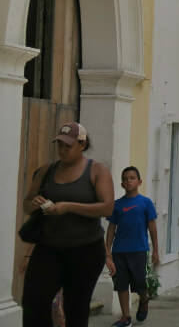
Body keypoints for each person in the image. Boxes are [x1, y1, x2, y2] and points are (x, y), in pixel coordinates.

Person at [22, 122, 114, 327]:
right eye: (60, 145)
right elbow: (26, 204)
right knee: (34, 302)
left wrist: (70, 207)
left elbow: (107, 208)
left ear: (82, 144)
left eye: (68, 146)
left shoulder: (97, 170)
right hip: (49, 248)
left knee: (76, 308)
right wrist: (36, 203)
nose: (62, 150)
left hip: (86, 249)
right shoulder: (47, 170)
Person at [105, 166, 159, 326]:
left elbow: (152, 227)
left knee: (139, 282)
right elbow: (111, 228)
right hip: (119, 251)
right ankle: (125, 317)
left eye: (132, 178)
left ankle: (144, 299)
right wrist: (107, 251)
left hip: (139, 251)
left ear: (139, 181)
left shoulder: (146, 203)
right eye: (125, 178)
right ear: (121, 184)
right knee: (121, 284)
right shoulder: (117, 205)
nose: (128, 181)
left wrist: (156, 249)